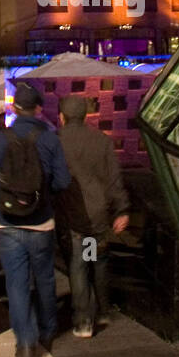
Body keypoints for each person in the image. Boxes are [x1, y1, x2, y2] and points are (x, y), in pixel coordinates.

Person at [0, 83, 70, 357]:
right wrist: (42, 196)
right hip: (41, 221)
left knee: (16, 283)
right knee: (44, 278)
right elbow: (63, 181)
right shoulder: (50, 138)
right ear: (39, 108)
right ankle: (48, 330)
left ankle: (26, 343)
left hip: (7, 222)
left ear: (14, 107)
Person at [54, 95, 131, 337]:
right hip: (98, 212)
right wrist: (122, 209)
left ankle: (83, 320)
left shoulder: (56, 142)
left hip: (72, 212)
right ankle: (103, 310)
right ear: (86, 115)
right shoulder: (102, 140)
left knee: (78, 266)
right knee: (98, 262)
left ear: (62, 116)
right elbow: (114, 178)